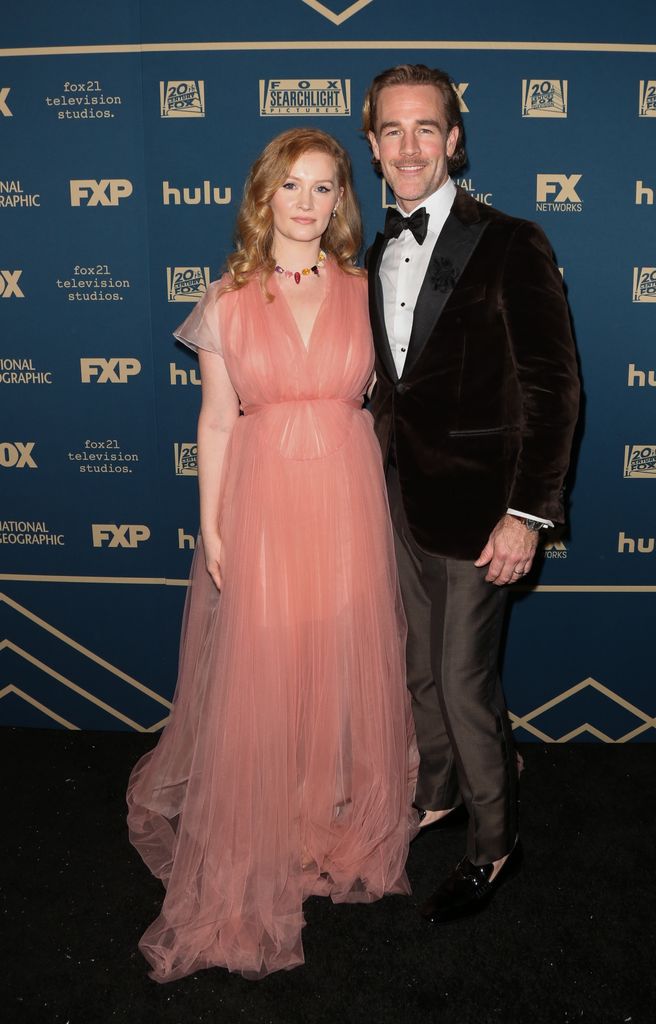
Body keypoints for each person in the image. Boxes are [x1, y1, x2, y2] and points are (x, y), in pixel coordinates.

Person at [127, 127, 418, 982]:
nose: (307, 201)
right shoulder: (226, 299)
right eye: (291, 184)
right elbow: (217, 422)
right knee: (268, 658)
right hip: (260, 502)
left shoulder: (368, 291)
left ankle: (318, 814)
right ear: (264, 195)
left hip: (347, 497)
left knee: (336, 652)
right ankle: (265, 822)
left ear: (342, 201)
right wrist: (213, 527)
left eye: (324, 187)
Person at [362, 65, 580, 923]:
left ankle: (496, 845)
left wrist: (528, 514)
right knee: (419, 670)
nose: (410, 146)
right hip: (401, 502)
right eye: (392, 130)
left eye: (427, 128)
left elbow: (553, 387)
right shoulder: (376, 253)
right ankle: (440, 793)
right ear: (373, 146)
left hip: (485, 511)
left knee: (462, 681)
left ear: (454, 140)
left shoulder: (511, 241)